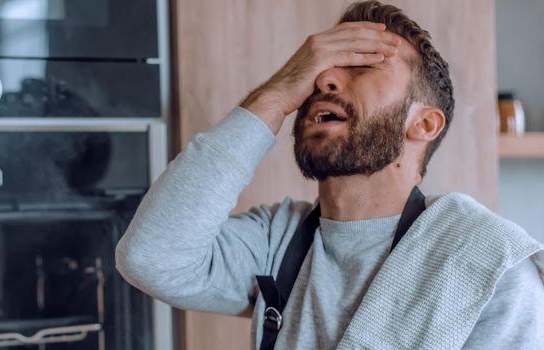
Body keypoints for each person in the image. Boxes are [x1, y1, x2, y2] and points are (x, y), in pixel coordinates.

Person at [116, 1, 544, 349]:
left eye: (360, 66)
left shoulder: (488, 271)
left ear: (425, 125)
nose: (325, 80)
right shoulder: (276, 242)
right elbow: (152, 258)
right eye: (321, 68)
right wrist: (277, 92)